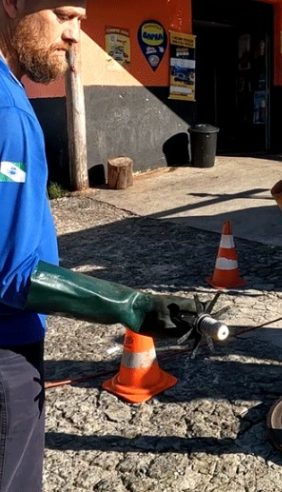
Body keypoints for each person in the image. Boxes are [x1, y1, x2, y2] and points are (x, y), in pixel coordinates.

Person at [0, 3, 196, 490]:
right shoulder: (8, 114)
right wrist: (133, 306)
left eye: (82, 20)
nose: (74, 35)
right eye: (63, 14)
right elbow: (11, 272)